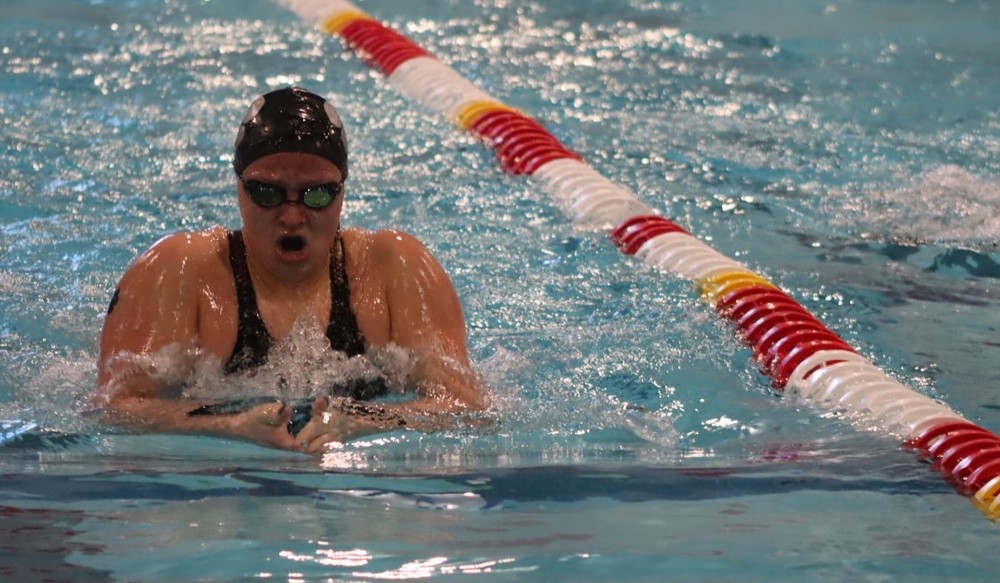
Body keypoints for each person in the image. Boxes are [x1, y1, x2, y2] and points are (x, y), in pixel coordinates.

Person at [95, 86, 486, 453]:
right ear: (239, 186)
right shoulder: (179, 271)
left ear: (342, 191)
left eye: (317, 195)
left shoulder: (395, 270)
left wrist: (365, 419)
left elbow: (467, 409)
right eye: (267, 193)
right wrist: (226, 426)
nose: (293, 216)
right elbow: (115, 409)